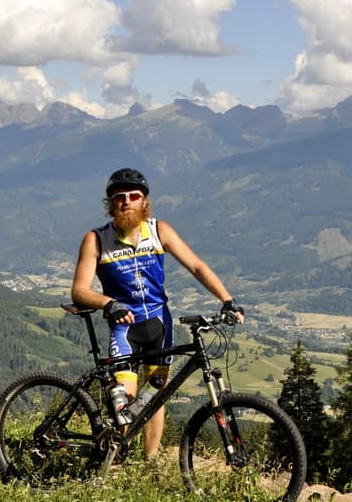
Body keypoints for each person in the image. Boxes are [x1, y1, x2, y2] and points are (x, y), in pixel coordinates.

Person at [71, 167, 242, 461]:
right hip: (124, 328)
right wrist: (109, 303)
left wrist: (227, 300)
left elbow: (197, 266)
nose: (126, 201)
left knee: (156, 397)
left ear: (144, 201)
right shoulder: (96, 239)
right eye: (119, 197)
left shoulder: (159, 230)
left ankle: (149, 464)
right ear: (111, 203)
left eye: (133, 196)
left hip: (159, 325)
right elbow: (79, 290)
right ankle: (115, 461)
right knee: (124, 399)